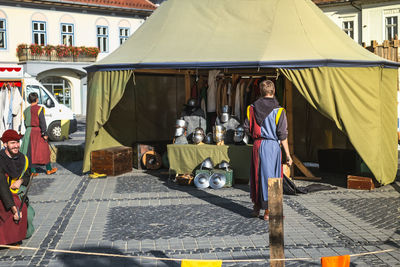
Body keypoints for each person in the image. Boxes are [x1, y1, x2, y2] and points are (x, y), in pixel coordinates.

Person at [244, 80, 293, 220]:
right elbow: (283, 135)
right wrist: (288, 156)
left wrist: (257, 135)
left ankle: (256, 207)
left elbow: (247, 128)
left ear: (260, 91)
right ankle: (268, 210)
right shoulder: (279, 111)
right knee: (272, 178)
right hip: (272, 147)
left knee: (257, 176)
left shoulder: (251, 108)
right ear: (273, 92)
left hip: (257, 145)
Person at [0, 129, 32, 245]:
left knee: (29, 223)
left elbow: (28, 177)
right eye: (12, 143)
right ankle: (6, 239)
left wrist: (21, 180)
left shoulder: (24, 159)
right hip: (2, 194)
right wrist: (14, 209)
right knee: (16, 212)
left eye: (17, 142)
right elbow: (2, 186)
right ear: (5, 144)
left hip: (16, 194)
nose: (16, 145)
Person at [20, 92, 57, 176]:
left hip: (29, 132)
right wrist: (45, 133)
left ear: (29, 100)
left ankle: (33, 171)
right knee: (45, 151)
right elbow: (42, 122)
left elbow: (25, 123)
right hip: (38, 131)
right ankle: (49, 169)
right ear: (37, 99)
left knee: (31, 152)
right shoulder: (39, 109)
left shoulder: (26, 111)